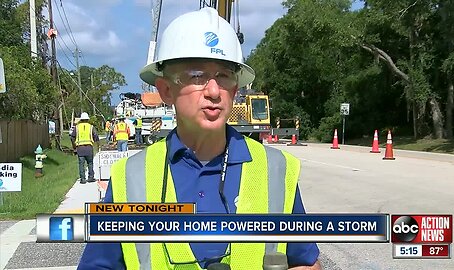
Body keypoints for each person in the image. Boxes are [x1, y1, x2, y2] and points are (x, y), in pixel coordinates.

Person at [78, 7, 321, 270]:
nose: (214, 90)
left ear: (235, 89)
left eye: (224, 76)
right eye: (197, 76)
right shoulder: (131, 178)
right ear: (166, 90)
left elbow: (306, 262)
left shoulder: (275, 170)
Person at [71, 112, 99, 184]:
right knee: (90, 163)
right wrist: (97, 146)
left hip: (80, 148)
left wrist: (74, 147)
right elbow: (96, 136)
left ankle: (83, 179)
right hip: (89, 148)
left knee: (81, 164)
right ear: (87, 119)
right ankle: (90, 177)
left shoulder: (77, 127)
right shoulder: (91, 127)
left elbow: (72, 137)